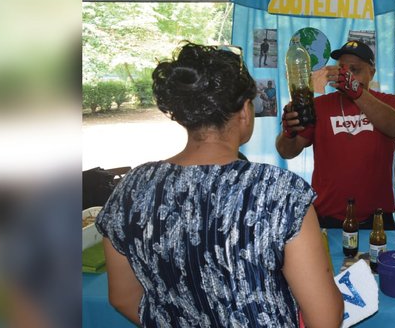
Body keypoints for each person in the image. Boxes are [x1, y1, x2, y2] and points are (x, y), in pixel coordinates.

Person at [95, 43, 343, 328]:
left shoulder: (131, 189)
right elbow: (325, 318)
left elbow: (123, 297)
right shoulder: (279, 194)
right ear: (245, 112)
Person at [276, 40, 395, 229]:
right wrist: (288, 132)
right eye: (343, 70)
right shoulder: (319, 105)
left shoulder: (389, 102)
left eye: (355, 70)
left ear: (372, 72)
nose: (348, 76)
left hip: (376, 218)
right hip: (328, 217)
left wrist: (357, 92)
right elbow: (287, 152)